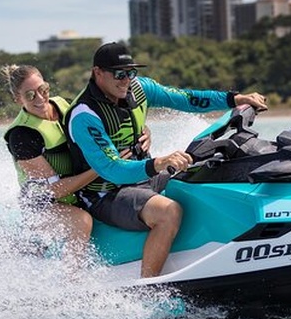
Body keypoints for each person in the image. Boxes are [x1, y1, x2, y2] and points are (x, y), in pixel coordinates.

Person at [64, 42, 269, 278]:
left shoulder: (139, 88)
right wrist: (157, 164)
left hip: (143, 178)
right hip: (105, 194)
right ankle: (149, 289)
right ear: (97, 72)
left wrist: (234, 99)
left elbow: (185, 98)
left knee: (202, 173)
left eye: (131, 72)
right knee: (168, 212)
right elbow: (111, 169)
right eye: (119, 74)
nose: (126, 80)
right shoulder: (84, 115)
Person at [1, 64, 151, 266]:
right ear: (17, 99)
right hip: (42, 202)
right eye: (29, 95)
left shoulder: (63, 105)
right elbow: (55, 191)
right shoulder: (22, 136)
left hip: (80, 186)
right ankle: (73, 284)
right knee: (82, 221)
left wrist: (144, 132)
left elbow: (107, 122)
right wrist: (102, 167)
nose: (40, 98)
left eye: (43, 89)